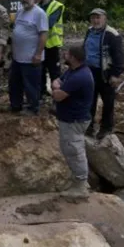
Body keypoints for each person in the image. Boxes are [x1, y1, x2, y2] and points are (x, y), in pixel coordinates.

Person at [51, 45, 95, 198]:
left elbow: (57, 95)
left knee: (75, 151)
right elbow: (57, 81)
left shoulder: (79, 76)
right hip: (70, 119)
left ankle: (81, 186)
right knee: (70, 149)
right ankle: (77, 181)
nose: (64, 54)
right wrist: (58, 87)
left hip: (74, 120)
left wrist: (58, 88)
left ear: (74, 58)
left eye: (67, 53)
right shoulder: (73, 70)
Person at [84, 8, 124, 139]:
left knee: (108, 101)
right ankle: (88, 126)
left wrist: (116, 74)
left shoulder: (112, 34)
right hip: (89, 71)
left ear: (104, 18)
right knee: (89, 100)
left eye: (98, 17)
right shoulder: (90, 31)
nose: (96, 20)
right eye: (93, 18)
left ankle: (106, 128)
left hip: (105, 72)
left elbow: (119, 56)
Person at [8, 0, 48, 115]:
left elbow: (43, 35)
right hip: (17, 57)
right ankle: (15, 105)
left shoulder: (39, 13)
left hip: (31, 57)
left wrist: (38, 54)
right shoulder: (20, 11)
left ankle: (33, 108)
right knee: (14, 83)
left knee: (31, 85)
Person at [35, 0, 65, 102]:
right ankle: (41, 94)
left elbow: (48, 24)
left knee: (54, 73)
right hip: (40, 45)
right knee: (40, 71)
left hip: (52, 45)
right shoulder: (37, 6)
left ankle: (56, 97)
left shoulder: (56, 6)